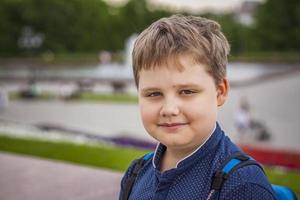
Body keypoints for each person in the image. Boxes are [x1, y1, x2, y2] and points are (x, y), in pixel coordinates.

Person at [119, 15, 276, 199]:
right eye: (154, 94)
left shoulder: (242, 185)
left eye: (187, 91)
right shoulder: (136, 173)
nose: (169, 109)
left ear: (220, 92)